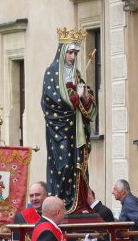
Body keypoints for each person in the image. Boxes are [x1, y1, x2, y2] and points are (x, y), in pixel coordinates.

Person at [41, 28, 97, 214]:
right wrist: (75, 98)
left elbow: (87, 104)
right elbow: (51, 102)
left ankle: (79, 204)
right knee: (63, 165)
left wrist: (85, 97)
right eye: (70, 52)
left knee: (78, 168)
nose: (73, 57)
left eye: (75, 53)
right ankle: (62, 204)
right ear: (62, 52)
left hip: (77, 132)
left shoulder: (77, 75)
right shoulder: (51, 74)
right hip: (59, 131)